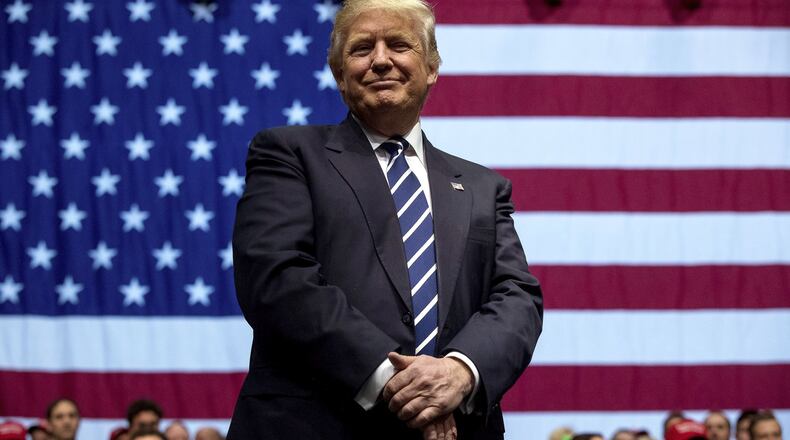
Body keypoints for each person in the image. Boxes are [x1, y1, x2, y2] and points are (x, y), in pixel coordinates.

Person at [226, 0, 543, 439]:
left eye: (398, 44)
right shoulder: (289, 154)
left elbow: (517, 298)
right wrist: (400, 383)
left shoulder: (482, 188)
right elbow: (275, 278)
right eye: (361, 49)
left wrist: (460, 373)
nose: (380, 60)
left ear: (431, 67)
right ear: (339, 74)